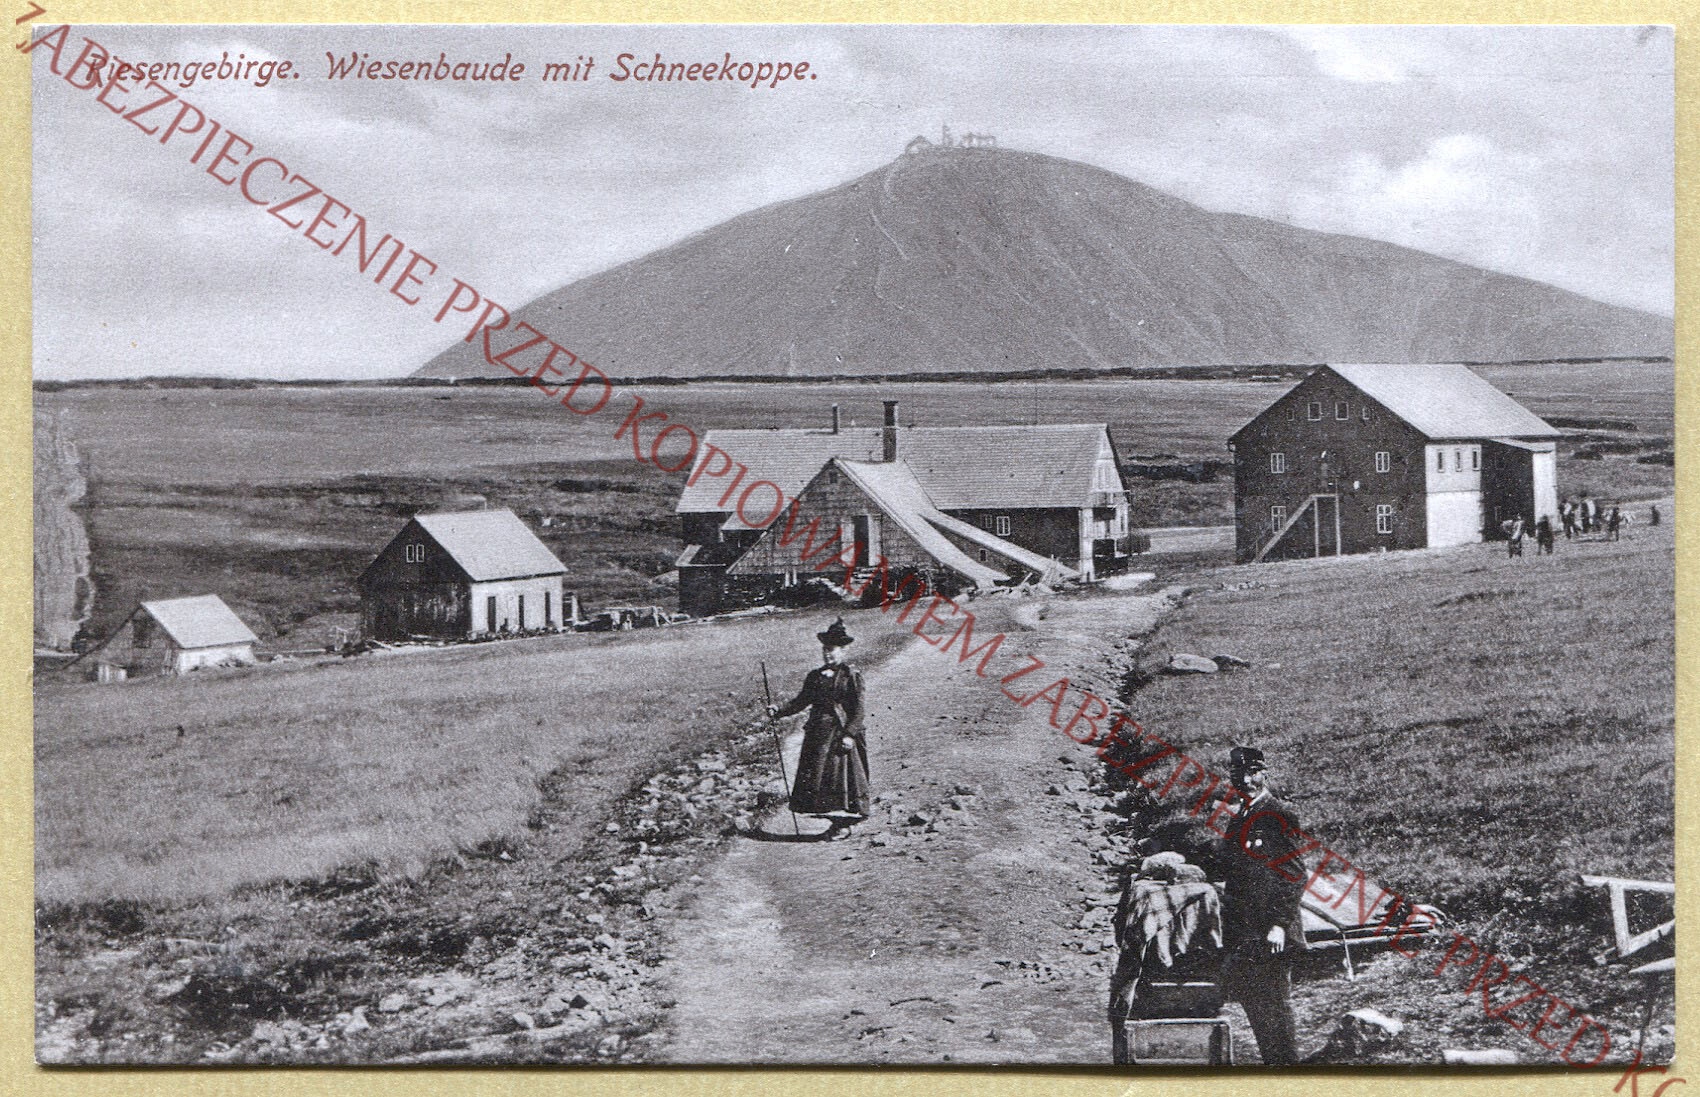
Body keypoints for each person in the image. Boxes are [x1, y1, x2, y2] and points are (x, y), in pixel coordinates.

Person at [1215, 746, 1307, 1066]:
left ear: (1264, 773)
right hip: (1246, 932)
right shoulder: (1238, 819)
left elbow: (1295, 875)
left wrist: (1279, 924)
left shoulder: (1277, 815)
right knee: (1255, 1004)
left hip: (1271, 931)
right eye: (1239, 775)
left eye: (1253, 773)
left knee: (1275, 1005)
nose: (1246, 781)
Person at [767, 618, 870, 840]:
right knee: (819, 780)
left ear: (843, 651)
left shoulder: (851, 676)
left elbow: (858, 710)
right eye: (825, 649)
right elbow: (801, 701)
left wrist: (849, 735)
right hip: (818, 735)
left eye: (832, 650)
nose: (827, 654)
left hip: (840, 735)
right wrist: (779, 711)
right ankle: (834, 824)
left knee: (841, 779)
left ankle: (843, 825)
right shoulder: (815, 676)